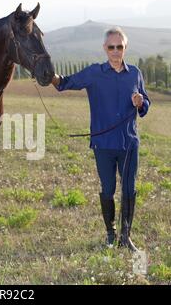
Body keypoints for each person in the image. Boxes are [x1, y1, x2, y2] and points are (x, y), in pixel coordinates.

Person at [51, 27, 150, 252]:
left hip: (128, 144)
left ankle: (126, 236)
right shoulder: (95, 73)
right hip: (103, 145)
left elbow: (145, 105)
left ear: (125, 48)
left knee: (129, 190)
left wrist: (140, 102)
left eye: (120, 47)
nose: (116, 51)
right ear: (105, 48)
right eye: (111, 47)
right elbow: (65, 83)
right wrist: (49, 75)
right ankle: (110, 234)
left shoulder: (135, 73)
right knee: (107, 190)